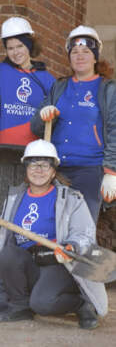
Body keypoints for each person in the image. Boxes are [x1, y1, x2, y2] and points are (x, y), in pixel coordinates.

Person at [0, 139, 107, 329]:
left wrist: (71, 246)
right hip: (29, 262)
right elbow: (2, 235)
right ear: (26, 167)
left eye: (45, 165)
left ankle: (80, 303)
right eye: (33, 164)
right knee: (8, 254)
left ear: (53, 170)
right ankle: (20, 306)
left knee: (43, 304)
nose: (38, 170)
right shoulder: (15, 197)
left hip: (58, 263)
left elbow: (84, 236)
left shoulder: (71, 199)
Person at [31, 26, 116, 223]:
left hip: (90, 170)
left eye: (86, 51)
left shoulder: (107, 89)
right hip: (56, 169)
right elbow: (36, 128)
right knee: (51, 226)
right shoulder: (59, 86)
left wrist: (112, 171)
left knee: (81, 228)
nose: (80, 56)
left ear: (95, 57)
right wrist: (43, 117)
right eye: (75, 52)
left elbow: (114, 131)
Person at [0, 17, 55, 145]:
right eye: (10, 48)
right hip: (2, 148)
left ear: (29, 45)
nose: (15, 52)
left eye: (20, 46)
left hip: (34, 151)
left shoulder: (46, 78)